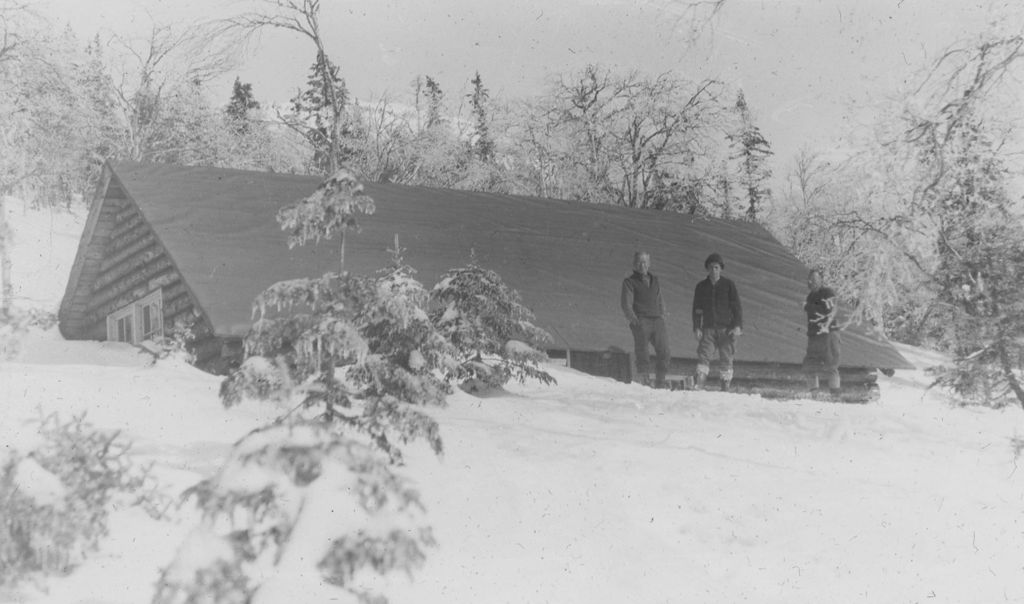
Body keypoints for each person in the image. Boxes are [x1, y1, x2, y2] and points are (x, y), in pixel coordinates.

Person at [691, 252, 743, 391]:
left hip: (726, 330)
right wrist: (697, 327)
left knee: (726, 358)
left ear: (721, 269)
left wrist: (737, 326)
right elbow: (697, 309)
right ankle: (699, 385)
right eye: (711, 267)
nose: (714, 270)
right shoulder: (701, 287)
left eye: (716, 267)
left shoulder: (728, 285)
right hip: (708, 329)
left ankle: (725, 388)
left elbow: (737, 307)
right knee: (704, 355)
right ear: (707, 269)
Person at [621, 251, 670, 388]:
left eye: (645, 262)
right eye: (639, 262)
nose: (642, 265)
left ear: (649, 264)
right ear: (635, 264)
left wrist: (663, 314)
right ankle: (645, 381)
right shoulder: (629, 282)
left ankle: (661, 381)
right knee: (643, 352)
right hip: (641, 320)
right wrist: (634, 320)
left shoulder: (655, 280)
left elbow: (660, 299)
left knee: (665, 351)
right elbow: (626, 304)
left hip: (657, 320)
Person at [803, 268, 841, 397]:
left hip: (828, 333)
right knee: (810, 365)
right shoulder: (810, 296)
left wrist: (809, 307)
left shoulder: (828, 293)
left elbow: (828, 312)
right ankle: (814, 394)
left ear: (821, 280)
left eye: (814, 279)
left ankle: (835, 396)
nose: (811, 282)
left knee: (831, 365)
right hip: (814, 335)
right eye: (810, 279)